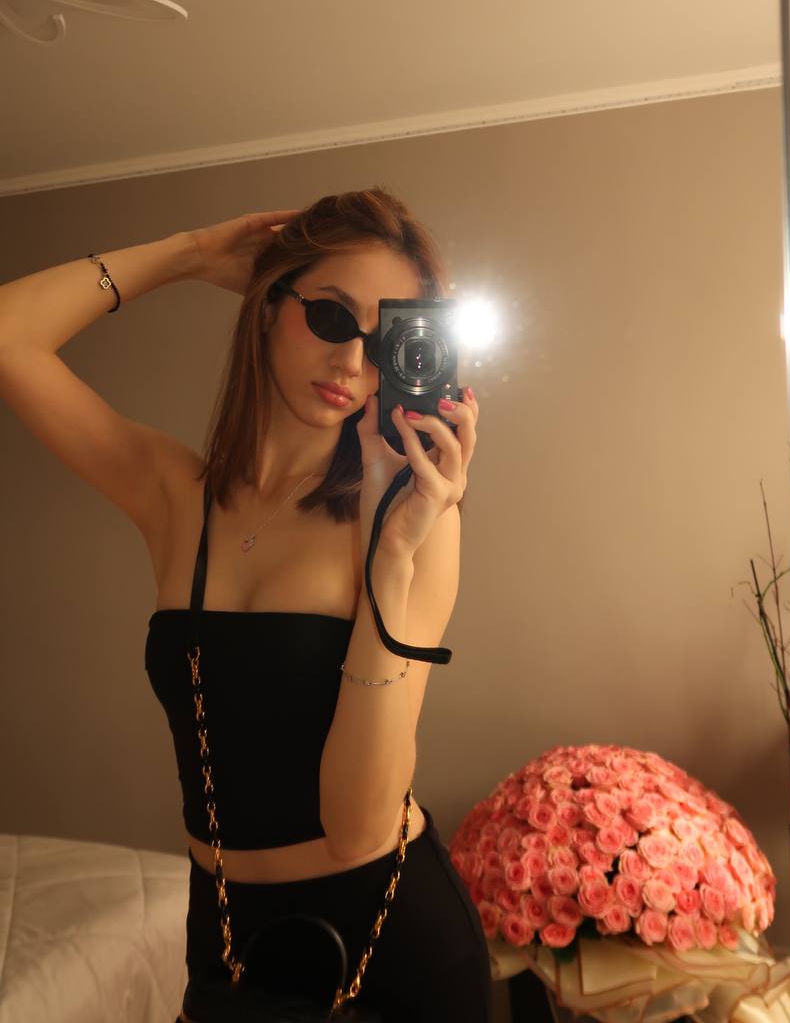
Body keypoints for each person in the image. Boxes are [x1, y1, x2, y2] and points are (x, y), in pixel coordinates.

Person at [0, 187, 491, 1022]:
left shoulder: (415, 519)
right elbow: (11, 337)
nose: (350, 363)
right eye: (329, 317)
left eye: (382, 341)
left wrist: (388, 557)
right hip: (224, 934)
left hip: (390, 948)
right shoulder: (174, 494)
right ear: (267, 307)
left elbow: (358, 827)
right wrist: (189, 253)